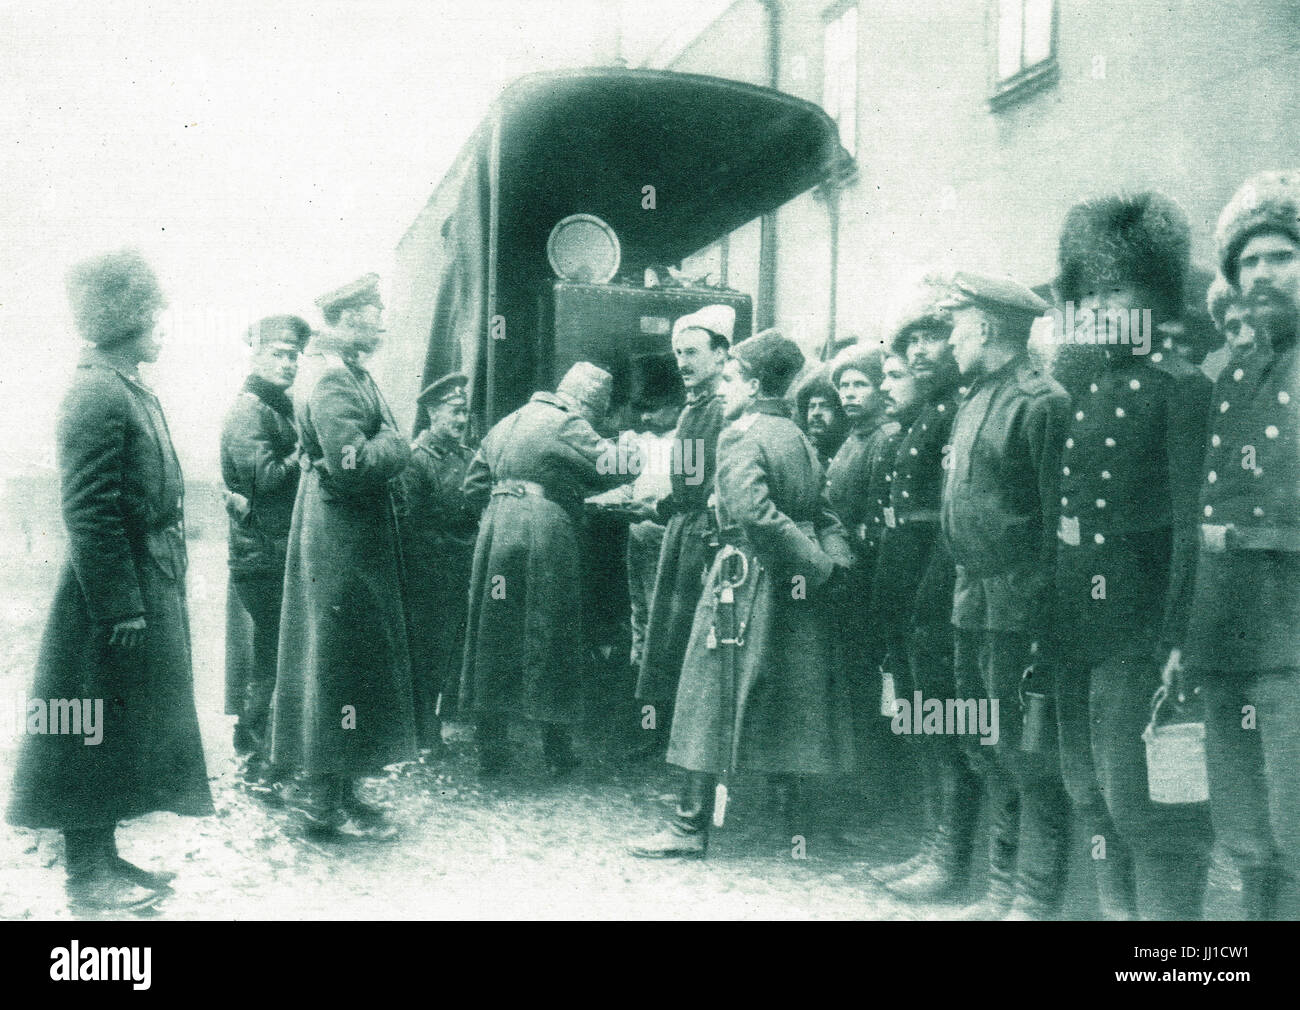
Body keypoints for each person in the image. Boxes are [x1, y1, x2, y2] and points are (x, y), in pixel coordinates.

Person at [8, 250, 212, 911]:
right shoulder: (96, 391)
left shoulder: (125, 387)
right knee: (86, 730)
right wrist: (121, 607)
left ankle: (109, 861)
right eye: (153, 312)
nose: (162, 324)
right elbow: (88, 509)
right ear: (124, 319)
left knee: (118, 731)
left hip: (137, 585)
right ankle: (85, 880)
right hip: (104, 605)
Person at [628, 329, 855, 858]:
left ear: (753, 385)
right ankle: (800, 828)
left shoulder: (740, 435)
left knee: (706, 697)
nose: (724, 389)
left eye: (730, 378)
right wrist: (831, 563)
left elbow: (754, 515)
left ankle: (688, 828)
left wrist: (816, 565)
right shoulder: (797, 435)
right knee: (796, 699)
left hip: (743, 576)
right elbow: (822, 513)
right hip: (795, 589)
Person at [1049, 192, 1213, 920]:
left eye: (1115, 291)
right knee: (1088, 792)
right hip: (1077, 627)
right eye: (1087, 295)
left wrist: (1177, 635)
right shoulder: (1082, 391)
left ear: (1156, 292)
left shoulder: (1184, 390)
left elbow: (1188, 528)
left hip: (1142, 629)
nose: (1098, 309)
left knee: (1148, 805)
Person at [939, 271, 1073, 920]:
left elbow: (1057, 528)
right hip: (972, 595)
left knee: (1025, 750)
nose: (947, 339)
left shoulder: (1041, 402)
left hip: (1018, 602)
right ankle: (998, 887)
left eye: (955, 325)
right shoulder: (975, 396)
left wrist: (1045, 618)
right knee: (981, 739)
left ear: (988, 329)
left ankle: (1034, 897)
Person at [1184, 171, 1300, 919]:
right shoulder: (1222, 378)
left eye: (1280, 255)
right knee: (1243, 828)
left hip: (1292, 637)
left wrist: (1247, 535)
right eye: (1247, 262)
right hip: (1223, 631)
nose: (1261, 273)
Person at [271, 273, 415, 839]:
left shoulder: (353, 374)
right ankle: (319, 798)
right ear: (350, 316)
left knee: (352, 663)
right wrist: (400, 445)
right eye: (375, 312)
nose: (382, 322)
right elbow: (352, 464)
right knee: (334, 663)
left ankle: (343, 788)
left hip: (352, 536)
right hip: (340, 539)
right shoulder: (332, 379)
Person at [460, 362, 634, 776]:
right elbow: (619, 467)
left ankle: (491, 750)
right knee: (551, 632)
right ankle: (557, 751)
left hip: (496, 529)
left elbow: (472, 488)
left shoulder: (507, 422)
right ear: (588, 402)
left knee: (494, 635)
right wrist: (631, 447)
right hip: (544, 529)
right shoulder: (566, 422)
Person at [868, 293, 979, 902]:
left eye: (933, 338)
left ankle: (953, 855)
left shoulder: (959, 410)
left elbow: (951, 514)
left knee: (945, 714)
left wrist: (924, 596)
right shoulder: (926, 415)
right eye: (910, 343)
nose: (918, 352)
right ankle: (934, 842)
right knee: (920, 713)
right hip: (910, 571)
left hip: (941, 575)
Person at [634, 306, 734, 755]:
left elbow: (701, 484)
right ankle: (660, 734)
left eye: (692, 352)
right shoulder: (695, 409)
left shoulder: (720, 410)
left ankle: (681, 739)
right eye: (678, 353)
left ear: (721, 355)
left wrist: (662, 505)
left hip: (700, 533)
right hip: (682, 529)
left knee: (685, 635)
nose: (683, 362)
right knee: (666, 632)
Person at [220, 314, 310, 792]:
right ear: (254, 354)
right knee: (274, 653)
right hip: (262, 555)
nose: (288, 364)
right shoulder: (249, 410)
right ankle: (258, 758)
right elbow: (266, 481)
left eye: (294, 356)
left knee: (272, 652)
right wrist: (306, 455)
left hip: (275, 550)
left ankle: (256, 743)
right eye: (278, 354)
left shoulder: (279, 407)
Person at [398, 372, 478, 758]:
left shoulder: (468, 457)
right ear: (432, 413)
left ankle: (445, 720)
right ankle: (424, 730)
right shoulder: (417, 462)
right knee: (428, 652)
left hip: (463, 567)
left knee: (455, 649)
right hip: (431, 573)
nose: (461, 421)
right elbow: (413, 526)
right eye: (453, 412)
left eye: (464, 412)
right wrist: (458, 546)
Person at [794, 363, 850, 465]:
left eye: (825, 406)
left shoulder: (849, 452)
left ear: (840, 413)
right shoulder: (803, 454)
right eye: (811, 406)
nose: (815, 413)